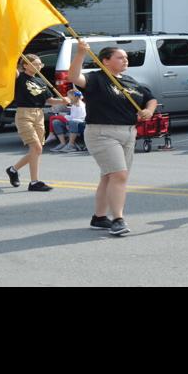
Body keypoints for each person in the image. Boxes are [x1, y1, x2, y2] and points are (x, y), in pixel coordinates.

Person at [71, 41, 159, 237]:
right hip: (102, 133)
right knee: (119, 176)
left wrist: (148, 111)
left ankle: (99, 217)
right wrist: (80, 54)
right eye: (120, 57)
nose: (125, 60)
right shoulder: (96, 79)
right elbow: (74, 77)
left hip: (128, 133)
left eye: (126, 58)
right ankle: (118, 220)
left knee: (109, 176)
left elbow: (150, 98)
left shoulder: (129, 81)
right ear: (105, 61)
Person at [5, 54, 58, 192]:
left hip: (39, 114)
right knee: (37, 148)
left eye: (40, 64)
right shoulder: (19, 77)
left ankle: (12, 169)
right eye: (35, 63)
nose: (38, 66)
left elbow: (50, 100)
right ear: (25, 65)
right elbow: (11, 68)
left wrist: (64, 100)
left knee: (36, 150)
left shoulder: (41, 81)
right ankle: (34, 182)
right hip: (24, 114)